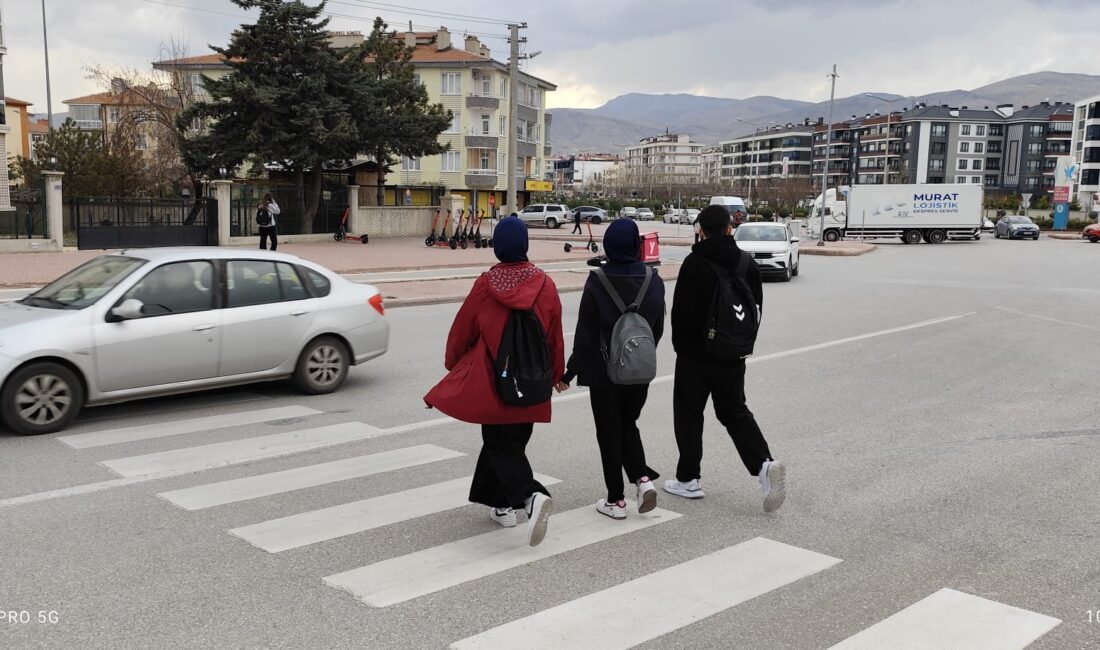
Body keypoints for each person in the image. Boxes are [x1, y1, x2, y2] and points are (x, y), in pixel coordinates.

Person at [424, 216, 565, 546]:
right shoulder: (545, 284)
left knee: (501, 445)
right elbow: (554, 337)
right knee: (509, 444)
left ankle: (531, 497)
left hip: (494, 383)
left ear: (497, 247)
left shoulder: (486, 285)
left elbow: (462, 330)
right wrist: (555, 375)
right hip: (533, 381)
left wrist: (453, 363)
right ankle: (502, 505)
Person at [664, 204, 786, 512]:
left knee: (689, 414)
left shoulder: (694, 262)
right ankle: (764, 465)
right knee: (734, 412)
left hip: (695, 357)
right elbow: (755, 307)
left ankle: (689, 479)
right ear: (730, 228)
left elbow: (681, 316)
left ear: (701, 230)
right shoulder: (746, 263)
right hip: (733, 354)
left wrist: (683, 349)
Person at [559, 219, 665, 520]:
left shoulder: (597, 281)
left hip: (603, 372)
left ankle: (616, 500)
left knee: (608, 430)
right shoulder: (653, 279)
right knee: (628, 423)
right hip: (639, 369)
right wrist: (638, 357)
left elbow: (585, 335)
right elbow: (656, 328)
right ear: (635, 244)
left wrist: (569, 373)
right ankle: (643, 481)